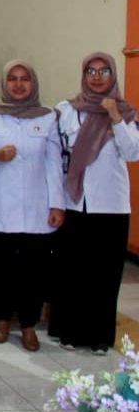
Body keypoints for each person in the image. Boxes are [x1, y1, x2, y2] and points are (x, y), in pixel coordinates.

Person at [0, 60, 64, 352]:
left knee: (33, 271)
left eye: (25, 79)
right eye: (13, 79)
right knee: (1, 268)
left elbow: (54, 163)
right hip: (0, 206)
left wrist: (57, 205)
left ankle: (28, 326)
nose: (19, 84)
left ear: (33, 83)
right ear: (4, 83)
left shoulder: (48, 116)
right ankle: (1, 320)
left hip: (37, 207)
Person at [50, 52, 139, 354]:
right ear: (83, 74)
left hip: (111, 206)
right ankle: (70, 332)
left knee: (105, 274)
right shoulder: (67, 110)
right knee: (74, 272)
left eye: (104, 71)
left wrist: (115, 117)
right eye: (91, 71)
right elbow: (57, 154)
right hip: (75, 203)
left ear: (113, 76)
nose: (97, 77)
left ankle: (101, 337)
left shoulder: (126, 113)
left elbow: (132, 153)